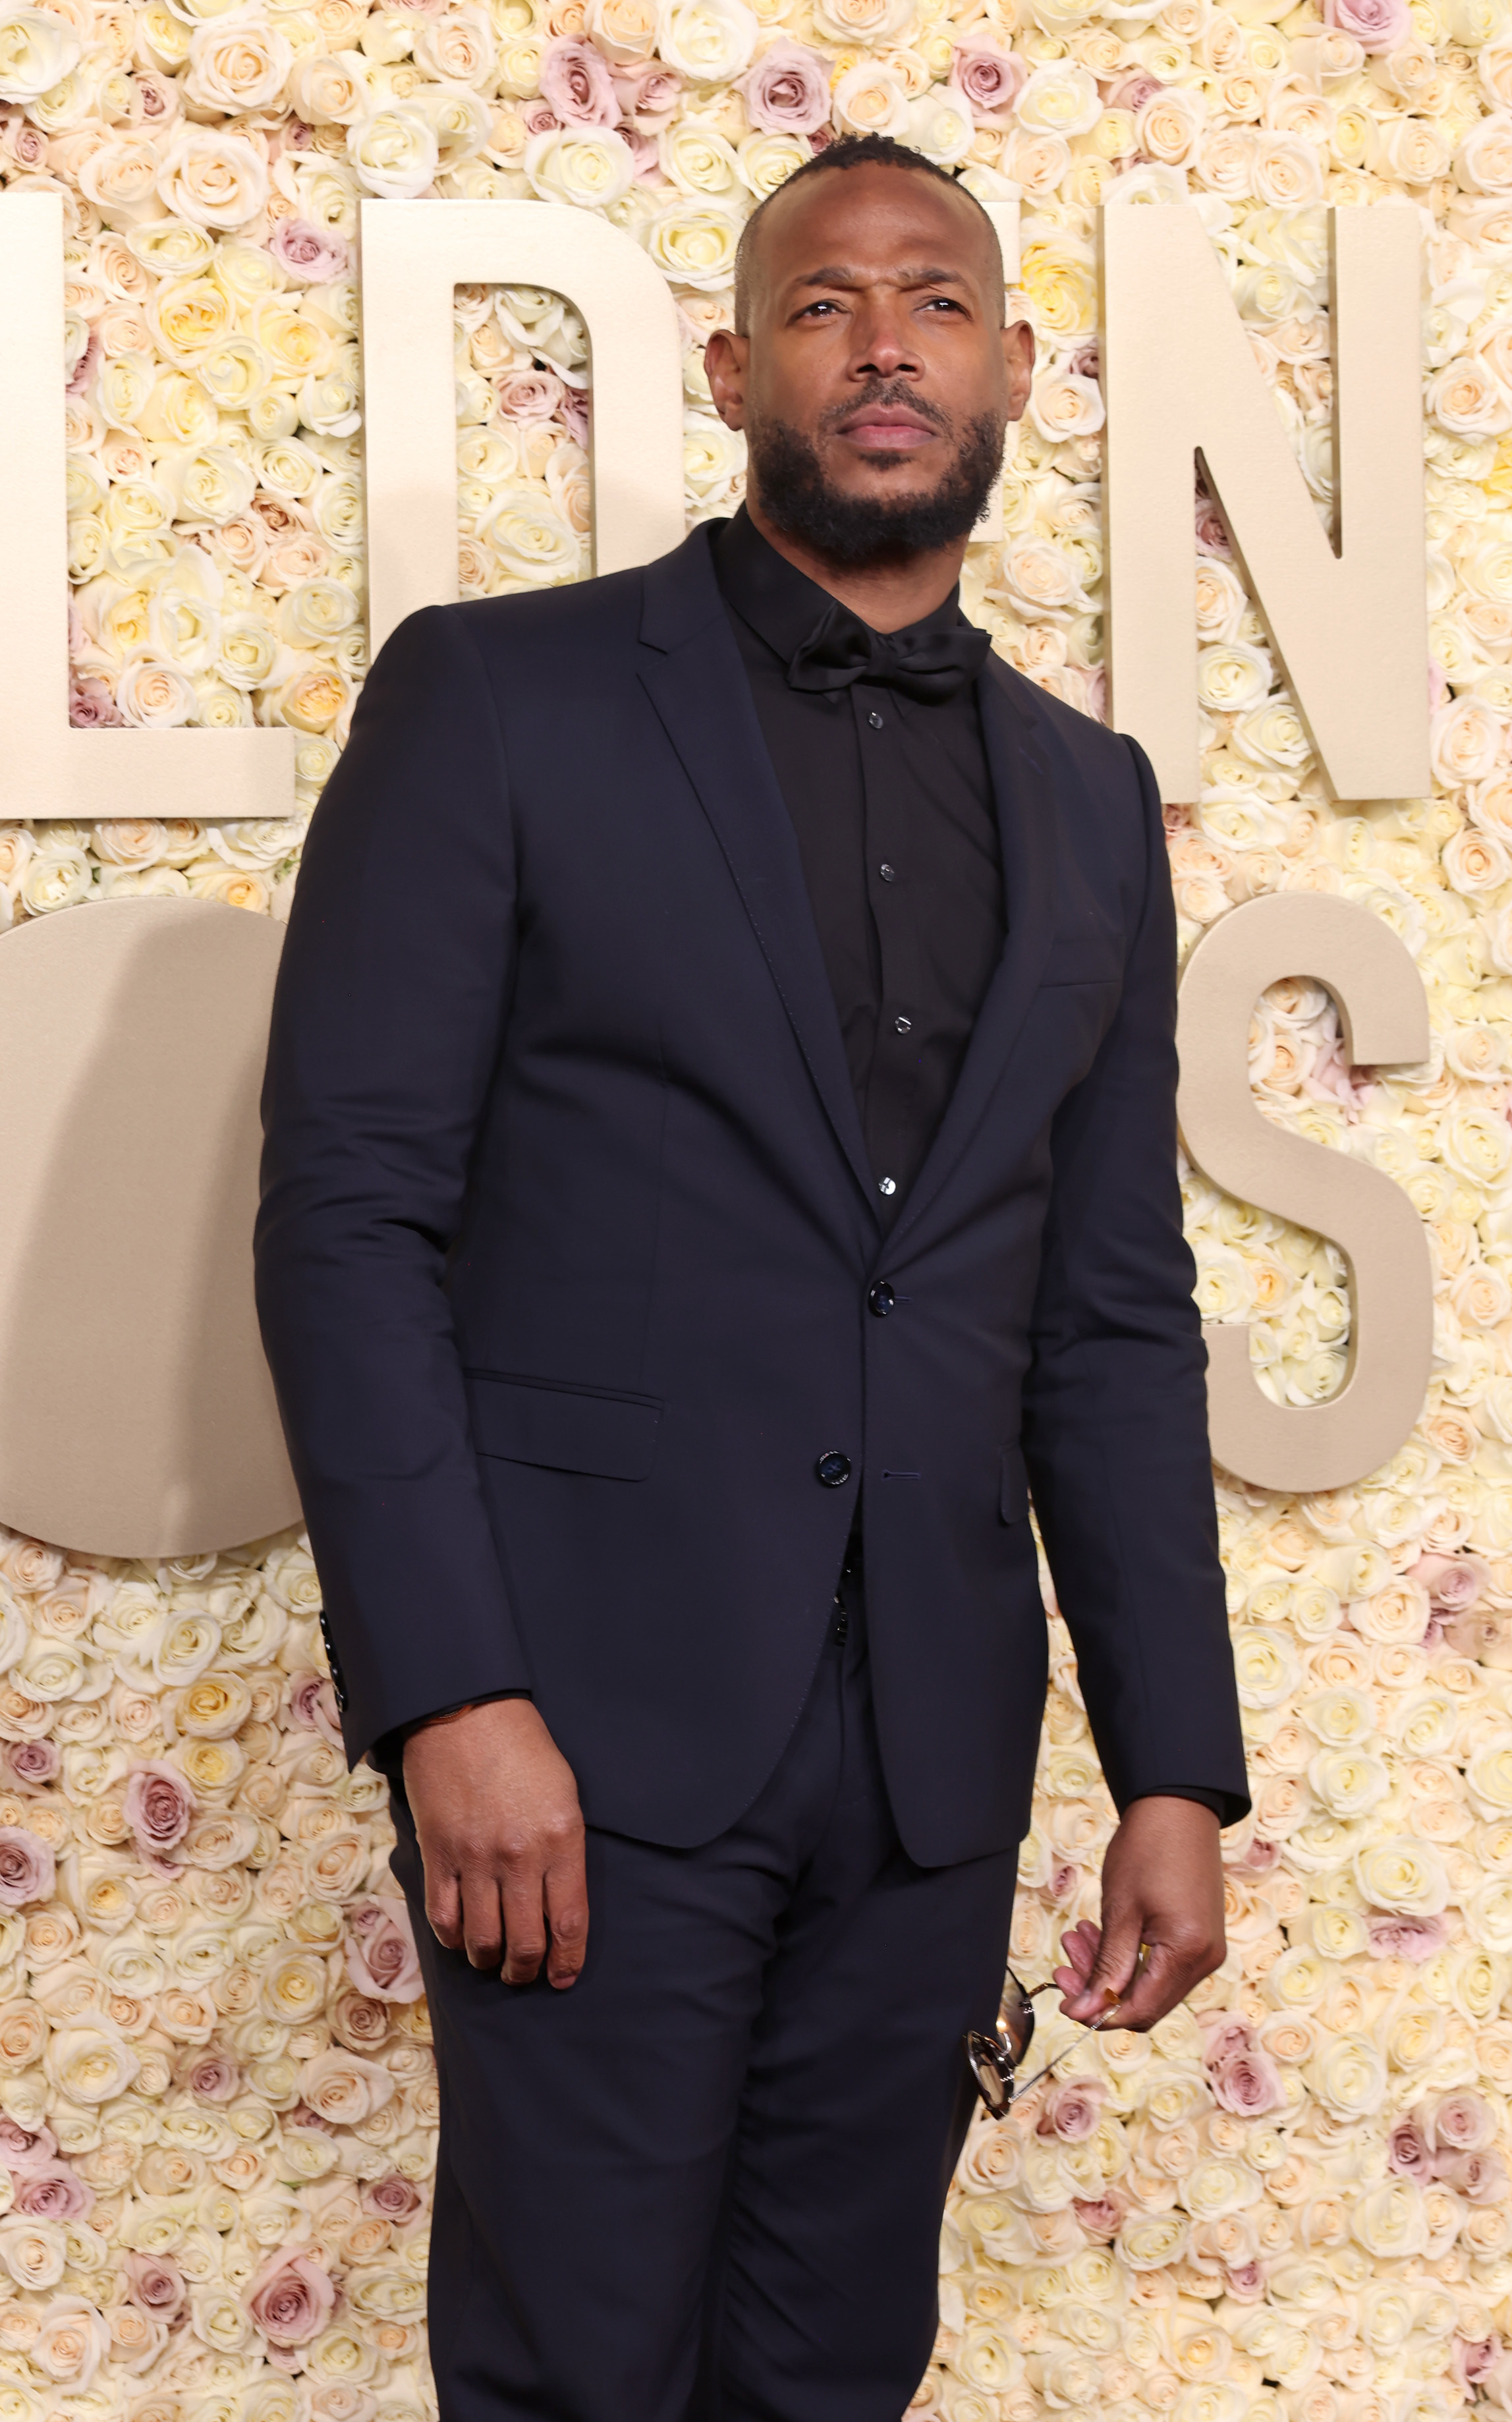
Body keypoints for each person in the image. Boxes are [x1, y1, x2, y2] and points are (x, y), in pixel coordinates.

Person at [254, 133, 1248, 2422]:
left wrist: (1170, 1767)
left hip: (929, 1752)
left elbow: (1104, 1308)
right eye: (820, 302)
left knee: (833, 2370)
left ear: (1016, 368)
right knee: (578, 2374)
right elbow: (350, 1217)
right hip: (579, 1739)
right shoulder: (499, 701)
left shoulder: (1091, 796)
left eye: (930, 298)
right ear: (728, 369)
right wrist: (449, 1699)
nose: (879, 338)